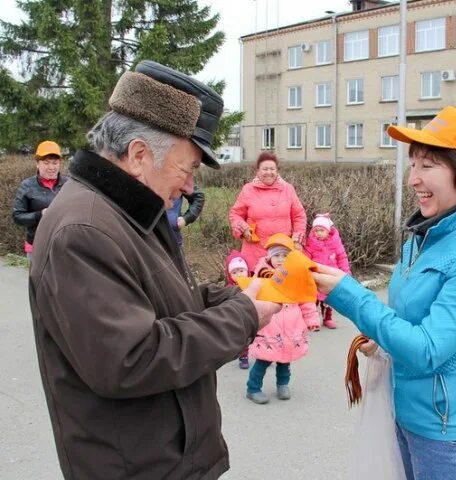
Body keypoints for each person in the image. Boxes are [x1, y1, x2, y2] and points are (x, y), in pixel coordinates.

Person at [28, 60, 280, 480]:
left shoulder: (129, 210)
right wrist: (242, 316)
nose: (188, 187)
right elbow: (132, 358)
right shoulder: (84, 231)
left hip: (167, 457)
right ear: (139, 154)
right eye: (188, 169)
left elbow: (166, 306)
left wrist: (238, 295)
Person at [312, 106, 456, 480]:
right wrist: (383, 344)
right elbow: (410, 322)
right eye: (413, 164)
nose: (413, 179)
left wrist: (348, 293)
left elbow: (427, 349)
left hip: (450, 435)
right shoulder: (424, 236)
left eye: (428, 165)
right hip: (404, 413)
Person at [246, 233, 320, 405]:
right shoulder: (262, 278)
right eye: (276, 255)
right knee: (263, 360)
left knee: (285, 359)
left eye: (285, 255)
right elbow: (253, 302)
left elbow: (306, 299)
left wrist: (311, 320)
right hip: (269, 327)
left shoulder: (296, 277)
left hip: (291, 327)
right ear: (269, 257)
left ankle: (283, 384)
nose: (280, 259)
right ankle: (253, 388)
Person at [228, 151, 307, 271]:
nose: (269, 172)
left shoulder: (288, 189)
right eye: (265, 169)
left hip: (282, 251)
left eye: (272, 169)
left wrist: (297, 240)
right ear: (258, 171)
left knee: (281, 285)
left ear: (277, 171)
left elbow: (299, 216)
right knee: (258, 285)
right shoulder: (248, 190)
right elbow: (236, 214)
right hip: (254, 250)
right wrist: (243, 229)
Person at [12, 141, 67, 262]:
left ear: (60, 163)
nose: (51, 167)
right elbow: (17, 216)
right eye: (46, 163)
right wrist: (40, 214)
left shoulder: (69, 184)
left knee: (61, 281)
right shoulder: (27, 186)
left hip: (64, 245)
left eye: (55, 163)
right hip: (36, 246)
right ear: (37, 164)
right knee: (38, 281)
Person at [304, 213, 351, 329]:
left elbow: (342, 258)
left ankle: (328, 318)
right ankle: (313, 320)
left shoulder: (335, 243)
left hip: (330, 276)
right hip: (315, 277)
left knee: (329, 299)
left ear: (328, 231)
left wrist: (345, 272)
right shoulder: (311, 243)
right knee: (313, 299)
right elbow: (305, 258)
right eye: (316, 231)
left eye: (321, 230)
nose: (318, 233)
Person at [225, 250, 252, 369]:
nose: (239, 274)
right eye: (234, 272)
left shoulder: (253, 284)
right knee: (244, 337)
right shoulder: (229, 288)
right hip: (240, 317)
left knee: (261, 336)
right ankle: (244, 355)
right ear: (229, 274)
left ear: (247, 271)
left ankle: (265, 353)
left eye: (241, 271)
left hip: (254, 314)